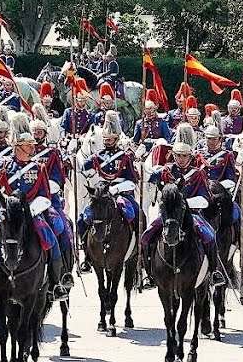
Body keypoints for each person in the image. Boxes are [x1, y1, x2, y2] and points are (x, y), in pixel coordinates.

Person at [0, 130, 74, 303]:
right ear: (18, 147)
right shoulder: (4, 166)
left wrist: (29, 212)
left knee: (51, 240)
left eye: (33, 145)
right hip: (6, 211)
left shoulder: (38, 168)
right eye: (29, 145)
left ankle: (55, 284)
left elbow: (45, 194)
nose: (32, 148)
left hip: (31, 212)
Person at [142, 125, 227, 288]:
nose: (181, 159)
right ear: (173, 155)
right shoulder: (165, 171)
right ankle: (148, 273)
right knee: (146, 237)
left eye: (184, 156)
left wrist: (183, 204)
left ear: (190, 156)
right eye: (178, 156)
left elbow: (205, 200)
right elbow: (146, 177)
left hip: (192, 215)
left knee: (209, 237)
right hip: (168, 216)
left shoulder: (198, 174)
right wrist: (139, 161)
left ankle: (214, 272)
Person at [77, 111, 139, 271]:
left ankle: (141, 255)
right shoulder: (98, 156)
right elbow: (83, 165)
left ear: (117, 139)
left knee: (138, 215)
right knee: (82, 218)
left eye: (109, 140)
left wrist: (116, 189)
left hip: (121, 193)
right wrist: (72, 153)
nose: (106, 143)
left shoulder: (125, 157)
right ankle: (87, 255)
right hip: (101, 195)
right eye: (104, 140)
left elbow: (132, 182)